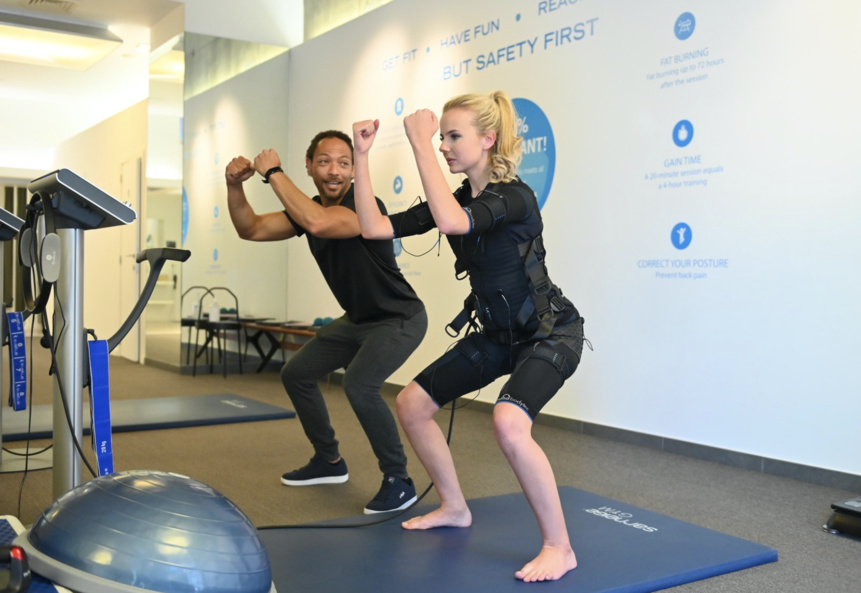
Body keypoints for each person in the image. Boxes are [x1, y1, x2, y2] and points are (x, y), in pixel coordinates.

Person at [351, 91, 586, 582]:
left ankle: (559, 547)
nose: (442, 146)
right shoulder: (460, 197)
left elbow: (454, 223)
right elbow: (373, 227)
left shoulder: (515, 196)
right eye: (440, 137)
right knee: (413, 405)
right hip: (499, 335)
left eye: (452, 137)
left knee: (508, 422)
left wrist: (416, 143)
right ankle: (454, 507)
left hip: (550, 334)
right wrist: (361, 155)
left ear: (488, 139)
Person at [225, 130, 428, 514]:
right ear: (310, 167)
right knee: (296, 373)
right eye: (324, 161)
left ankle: (399, 480)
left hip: (399, 317)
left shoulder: (363, 205)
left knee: (359, 385)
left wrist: (273, 173)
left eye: (343, 162)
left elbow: (319, 222)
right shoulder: (307, 210)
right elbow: (249, 228)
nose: (334, 170)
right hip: (358, 320)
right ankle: (329, 461)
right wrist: (234, 186)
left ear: (353, 171)